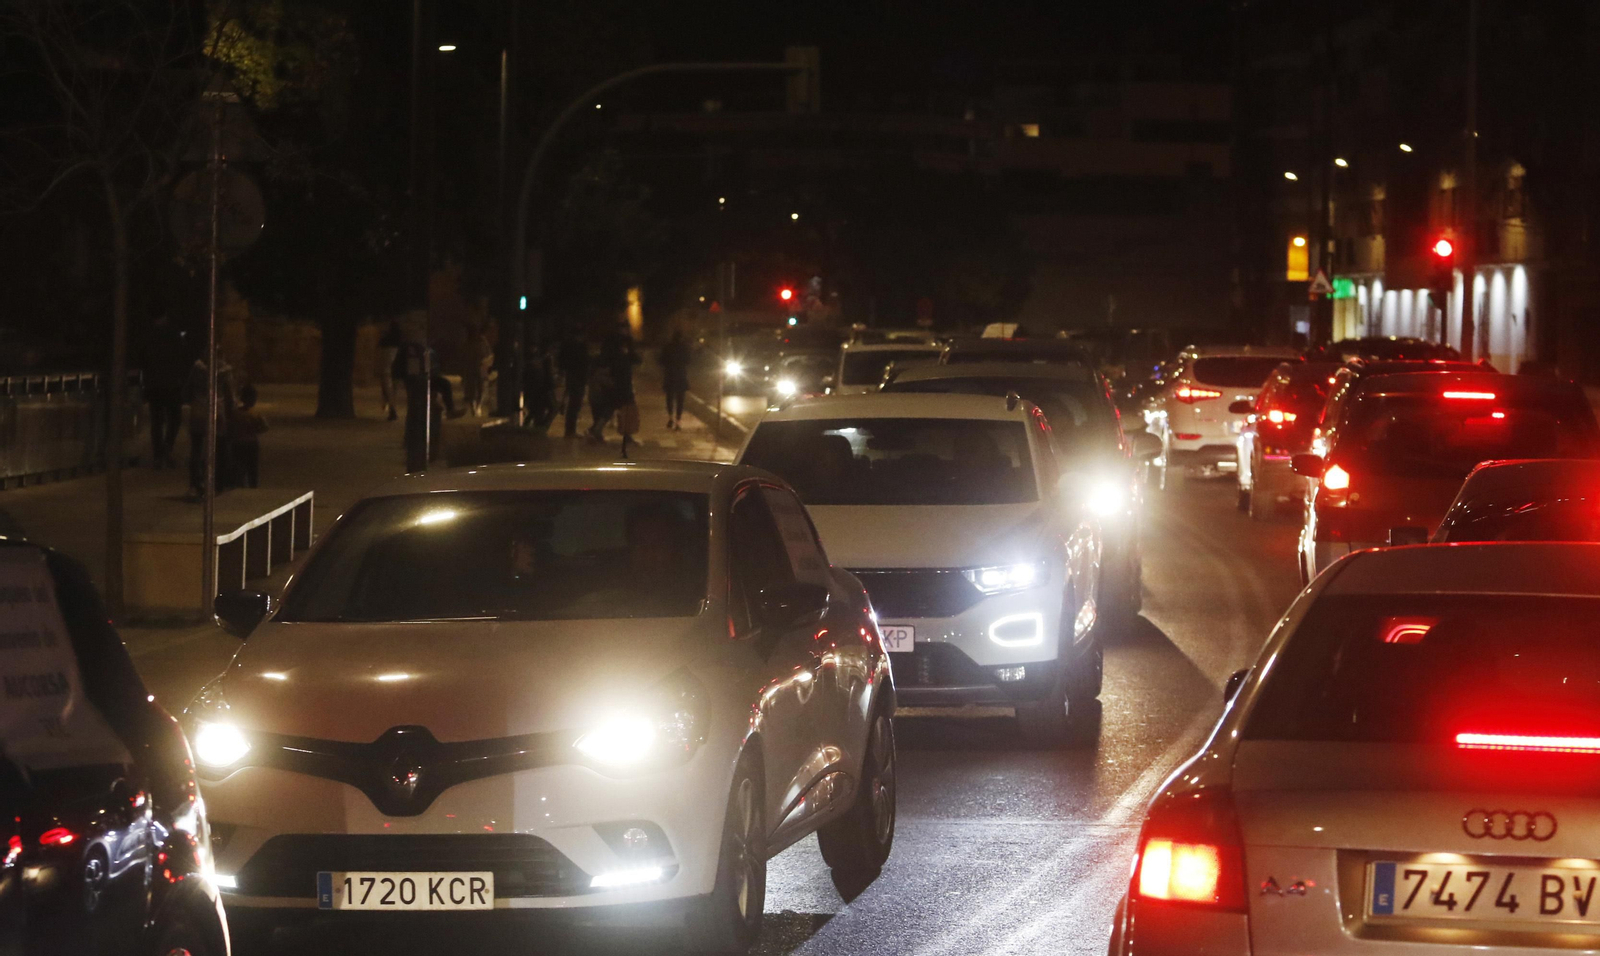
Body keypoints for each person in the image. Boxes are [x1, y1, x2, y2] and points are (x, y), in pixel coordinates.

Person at [140, 314, 189, 469]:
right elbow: (182, 358)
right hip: (171, 384)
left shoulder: (149, 335)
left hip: (154, 384)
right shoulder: (174, 335)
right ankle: (166, 450)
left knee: (157, 421)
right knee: (174, 419)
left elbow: (144, 360)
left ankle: (158, 455)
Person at [185, 355, 236, 499]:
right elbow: (230, 395)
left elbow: (187, 390)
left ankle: (195, 483)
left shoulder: (196, 369)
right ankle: (217, 483)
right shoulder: (225, 371)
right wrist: (231, 412)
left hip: (198, 411)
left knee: (196, 449)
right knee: (219, 448)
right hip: (217, 413)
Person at [231, 384, 268, 489]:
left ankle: (239, 486)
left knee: (239, 467)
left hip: (238, 442)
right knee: (252, 468)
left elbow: (231, 427)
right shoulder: (255, 414)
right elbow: (265, 427)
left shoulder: (235, 413)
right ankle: (252, 487)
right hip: (251, 443)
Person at [557, 329, 590, 439]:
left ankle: (570, 430)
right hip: (578, 378)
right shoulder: (579, 348)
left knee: (573, 404)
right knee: (575, 404)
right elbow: (584, 362)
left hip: (573, 377)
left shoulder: (568, 346)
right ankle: (570, 430)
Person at [660, 329, 691, 430]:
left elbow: (661, 360)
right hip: (681, 375)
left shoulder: (667, 347)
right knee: (680, 400)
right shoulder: (684, 348)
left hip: (670, 375)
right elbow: (689, 360)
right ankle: (678, 421)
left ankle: (670, 418)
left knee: (669, 398)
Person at [377, 319, 402, 421]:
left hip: (387, 367)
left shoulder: (384, 341)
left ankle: (391, 408)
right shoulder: (399, 342)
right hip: (396, 368)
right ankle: (392, 408)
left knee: (388, 388)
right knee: (394, 389)